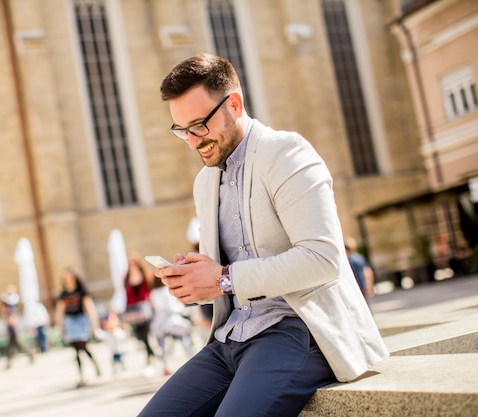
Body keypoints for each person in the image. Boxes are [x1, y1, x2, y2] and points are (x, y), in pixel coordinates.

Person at [139, 53, 388, 417]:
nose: (193, 141)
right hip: (230, 339)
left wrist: (223, 279)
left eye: (199, 125)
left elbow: (323, 259)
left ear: (234, 104)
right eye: (182, 130)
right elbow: (221, 279)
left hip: (300, 330)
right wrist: (194, 283)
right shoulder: (205, 181)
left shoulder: (286, 153)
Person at [55, 268, 102, 387]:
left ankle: (94, 366)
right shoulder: (63, 294)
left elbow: (89, 307)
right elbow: (60, 311)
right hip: (70, 322)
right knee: (76, 350)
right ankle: (82, 375)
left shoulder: (81, 292)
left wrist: (94, 323)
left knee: (83, 347)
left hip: (80, 320)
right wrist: (59, 326)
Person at [149, 277, 195, 376]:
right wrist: (182, 309)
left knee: (163, 346)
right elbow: (171, 307)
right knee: (185, 339)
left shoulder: (153, 293)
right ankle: (192, 361)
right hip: (171, 320)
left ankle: (164, 366)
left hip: (159, 322)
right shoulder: (166, 290)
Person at [121, 254, 156, 369]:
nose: (131, 266)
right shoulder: (126, 278)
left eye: (133, 263)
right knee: (139, 334)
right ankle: (151, 352)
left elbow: (149, 291)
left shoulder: (146, 275)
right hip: (132, 308)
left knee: (145, 331)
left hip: (144, 307)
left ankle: (150, 354)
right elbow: (126, 295)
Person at [0, 284, 34, 369]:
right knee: (15, 343)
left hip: (12, 326)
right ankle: (29, 354)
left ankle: (10, 361)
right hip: (11, 325)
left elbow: (11, 315)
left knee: (13, 343)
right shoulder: (9, 303)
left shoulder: (11, 303)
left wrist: (10, 321)